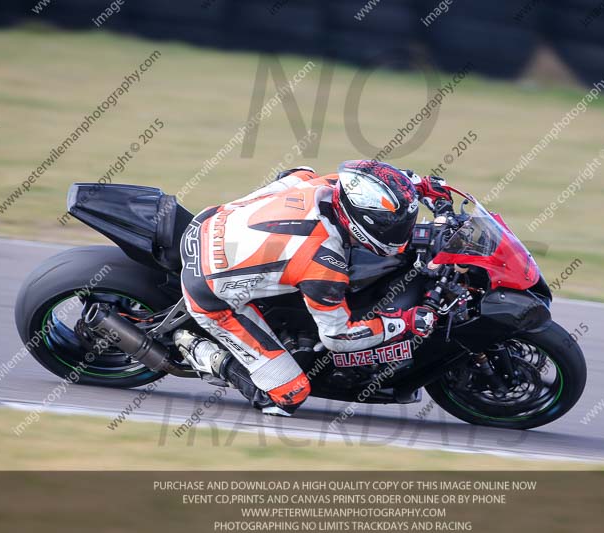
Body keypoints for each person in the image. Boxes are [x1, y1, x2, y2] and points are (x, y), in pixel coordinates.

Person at [175, 160, 450, 416]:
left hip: (210, 221)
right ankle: (204, 353)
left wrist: (419, 187)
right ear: (364, 221)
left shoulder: (334, 186)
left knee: (302, 174)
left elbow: (375, 181)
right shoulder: (323, 263)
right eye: (394, 225)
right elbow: (338, 337)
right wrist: (404, 323)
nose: (402, 229)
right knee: (288, 396)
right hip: (209, 292)